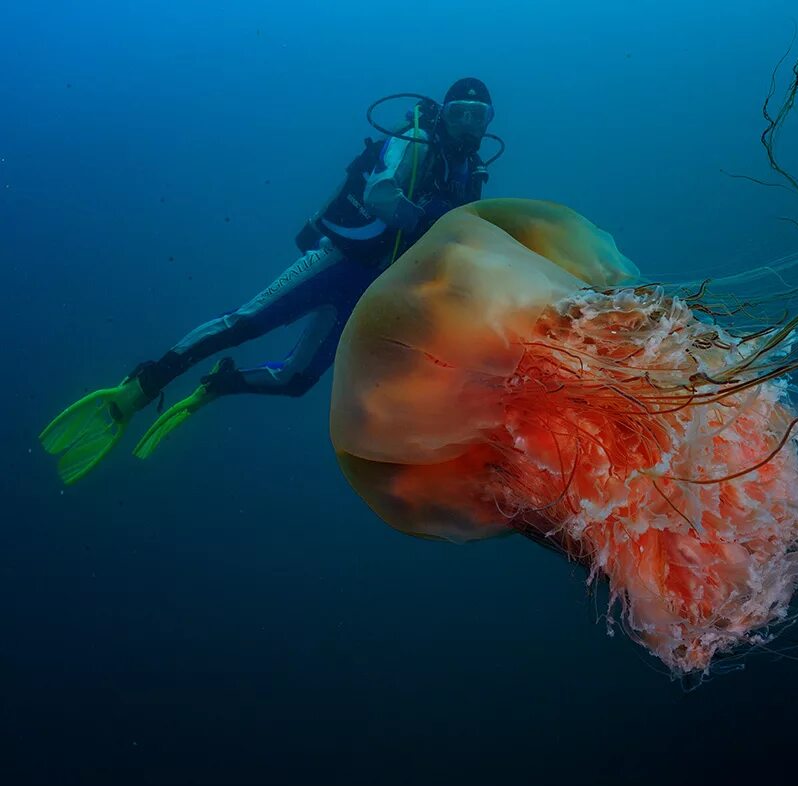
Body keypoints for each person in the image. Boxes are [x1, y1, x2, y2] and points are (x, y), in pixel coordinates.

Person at [40, 77, 498, 485]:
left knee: (296, 380)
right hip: (337, 261)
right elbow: (380, 194)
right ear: (443, 113)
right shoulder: (415, 140)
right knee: (244, 324)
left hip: (371, 289)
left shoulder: (468, 174)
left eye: (478, 117)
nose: (467, 126)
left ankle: (216, 387)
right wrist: (424, 217)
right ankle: (137, 390)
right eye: (459, 114)